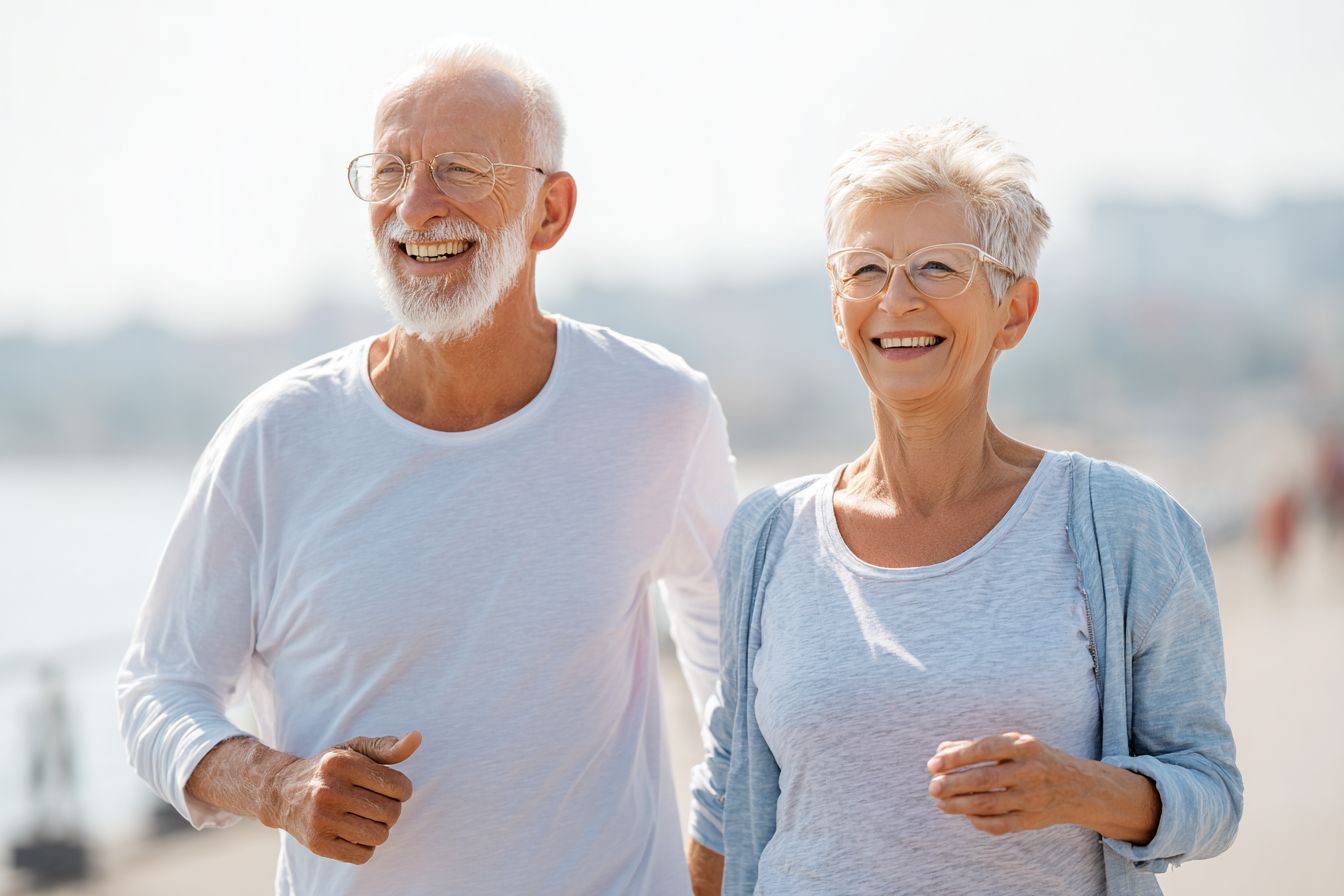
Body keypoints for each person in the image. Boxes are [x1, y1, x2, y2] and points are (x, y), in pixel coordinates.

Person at [117, 38, 737, 896]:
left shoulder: (660, 411)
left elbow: (733, 701)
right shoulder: (274, 440)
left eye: (458, 169)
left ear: (549, 212)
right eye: (390, 170)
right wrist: (281, 788)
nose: (415, 207)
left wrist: (714, 875)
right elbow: (157, 690)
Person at [686, 121, 1242, 895]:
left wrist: (1081, 790)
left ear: (1014, 311)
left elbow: (1212, 791)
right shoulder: (768, 535)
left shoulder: (1120, 523)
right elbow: (726, 801)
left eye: (937, 266)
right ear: (838, 307)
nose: (897, 297)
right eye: (867, 268)